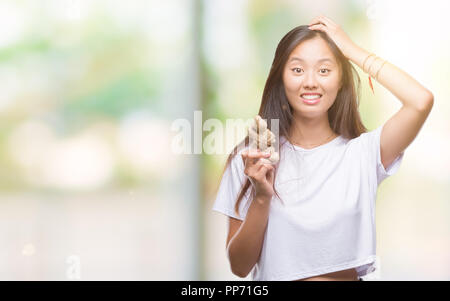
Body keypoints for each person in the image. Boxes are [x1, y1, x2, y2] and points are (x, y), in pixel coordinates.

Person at [212, 15, 433, 281]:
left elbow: (420, 101)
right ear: (281, 79)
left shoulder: (363, 153)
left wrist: (352, 51)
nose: (310, 82)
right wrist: (261, 196)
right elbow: (239, 267)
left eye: (324, 70)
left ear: (341, 80)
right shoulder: (252, 160)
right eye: (297, 70)